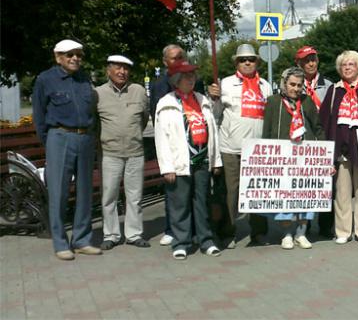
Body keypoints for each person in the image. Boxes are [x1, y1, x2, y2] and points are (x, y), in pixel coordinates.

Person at [32, 39, 102, 260]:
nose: (75, 58)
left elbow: (91, 110)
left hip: (85, 138)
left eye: (79, 55)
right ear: (58, 57)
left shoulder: (84, 79)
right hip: (60, 136)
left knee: (84, 192)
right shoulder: (45, 79)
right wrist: (51, 141)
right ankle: (61, 242)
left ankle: (81, 240)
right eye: (70, 54)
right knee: (59, 192)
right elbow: (39, 115)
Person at [154, 60, 222, 260]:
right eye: (186, 76)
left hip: (201, 160)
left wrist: (215, 160)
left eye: (192, 75)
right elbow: (161, 138)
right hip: (179, 162)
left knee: (202, 202)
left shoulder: (202, 99)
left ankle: (205, 240)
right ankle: (181, 242)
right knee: (180, 203)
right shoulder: (166, 103)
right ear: (176, 80)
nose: (191, 79)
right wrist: (167, 167)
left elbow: (213, 131)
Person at [213, 44, 272, 248]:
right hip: (231, 148)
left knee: (257, 192)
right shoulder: (226, 84)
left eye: (251, 59)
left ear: (257, 62)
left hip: (257, 149)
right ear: (236, 63)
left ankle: (259, 232)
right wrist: (214, 97)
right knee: (232, 192)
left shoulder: (265, 85)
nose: (247, 62)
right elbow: (215, 113)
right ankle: (228, 232)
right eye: (242, 59)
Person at [319, 50, 358, 244]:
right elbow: (325, 121)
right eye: (344, 65)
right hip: (340, 148)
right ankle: (343, 230)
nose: (347, 68)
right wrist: (328, 151)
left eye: (351, 64)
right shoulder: (334, 90)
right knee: (342, 192)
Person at [262, 67, 326, 249]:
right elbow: (266, 131)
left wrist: (324, 154)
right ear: (284, 83)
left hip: (306, 158)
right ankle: (287, 233)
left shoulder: (307, 102)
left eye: (299, 85)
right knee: (285, 197)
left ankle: (301, 232)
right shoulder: (273, 102)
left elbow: (318, 128)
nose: (296, 89)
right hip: (282, 159)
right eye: (292, 84)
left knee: (306, 195)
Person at [95, 55, 150, 250]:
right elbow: (95, 123)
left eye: (125, 68)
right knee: (109, 196)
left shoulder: (138, 91)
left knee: (134, 196)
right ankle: (111, 235)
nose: (122, 72)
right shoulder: (98, 93)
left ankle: (134, 234)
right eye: (117, 68)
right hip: (109, 153)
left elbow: (143, 119)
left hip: (135, 152)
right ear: (108, 70)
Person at [295, 45, 334, 238]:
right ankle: (306, 225)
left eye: (313, 59)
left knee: (327, 185)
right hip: (303, 140)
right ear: (299, 63)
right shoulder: (294, 84)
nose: (310, 63)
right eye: (306, 60)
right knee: (306, 185)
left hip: (324, 139)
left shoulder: (328, 85)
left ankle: (326, 226)